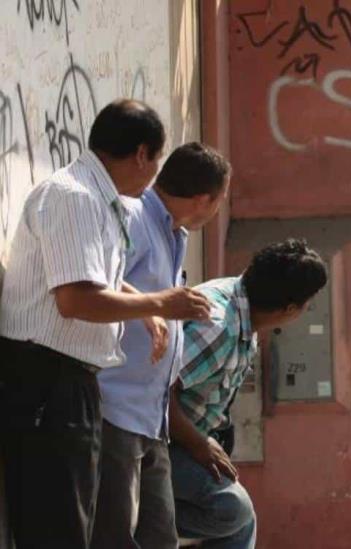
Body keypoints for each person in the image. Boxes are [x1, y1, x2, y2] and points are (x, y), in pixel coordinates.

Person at [0, 100, 212, 549]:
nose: (155, 175)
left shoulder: (102, 200)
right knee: (57, 529)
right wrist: (161, 302)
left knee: (76, 524)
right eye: (156, 161)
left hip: (71, 383)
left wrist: (145, 307)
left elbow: (100, 278)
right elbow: (75, 299)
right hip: (46, 380)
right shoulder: (74, 197)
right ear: (141, 154)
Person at [90, 143, 231, 549]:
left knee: (158, 537)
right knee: (114, 535)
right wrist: (155, 307)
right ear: (205, 199)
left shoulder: (173, 232)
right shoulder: (133, 215)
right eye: (220, 200)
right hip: (115, 405)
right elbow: (96, 275)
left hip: (151, 417)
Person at [169, 239, 328, 548]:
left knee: (240, 522)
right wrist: (198, 443)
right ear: (290, 308)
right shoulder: (220, 328)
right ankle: (142, 511)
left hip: (181, 437)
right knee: (231, 510)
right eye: (307, 303)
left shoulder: (243, 313)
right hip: (150, 440)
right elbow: (155, 394)